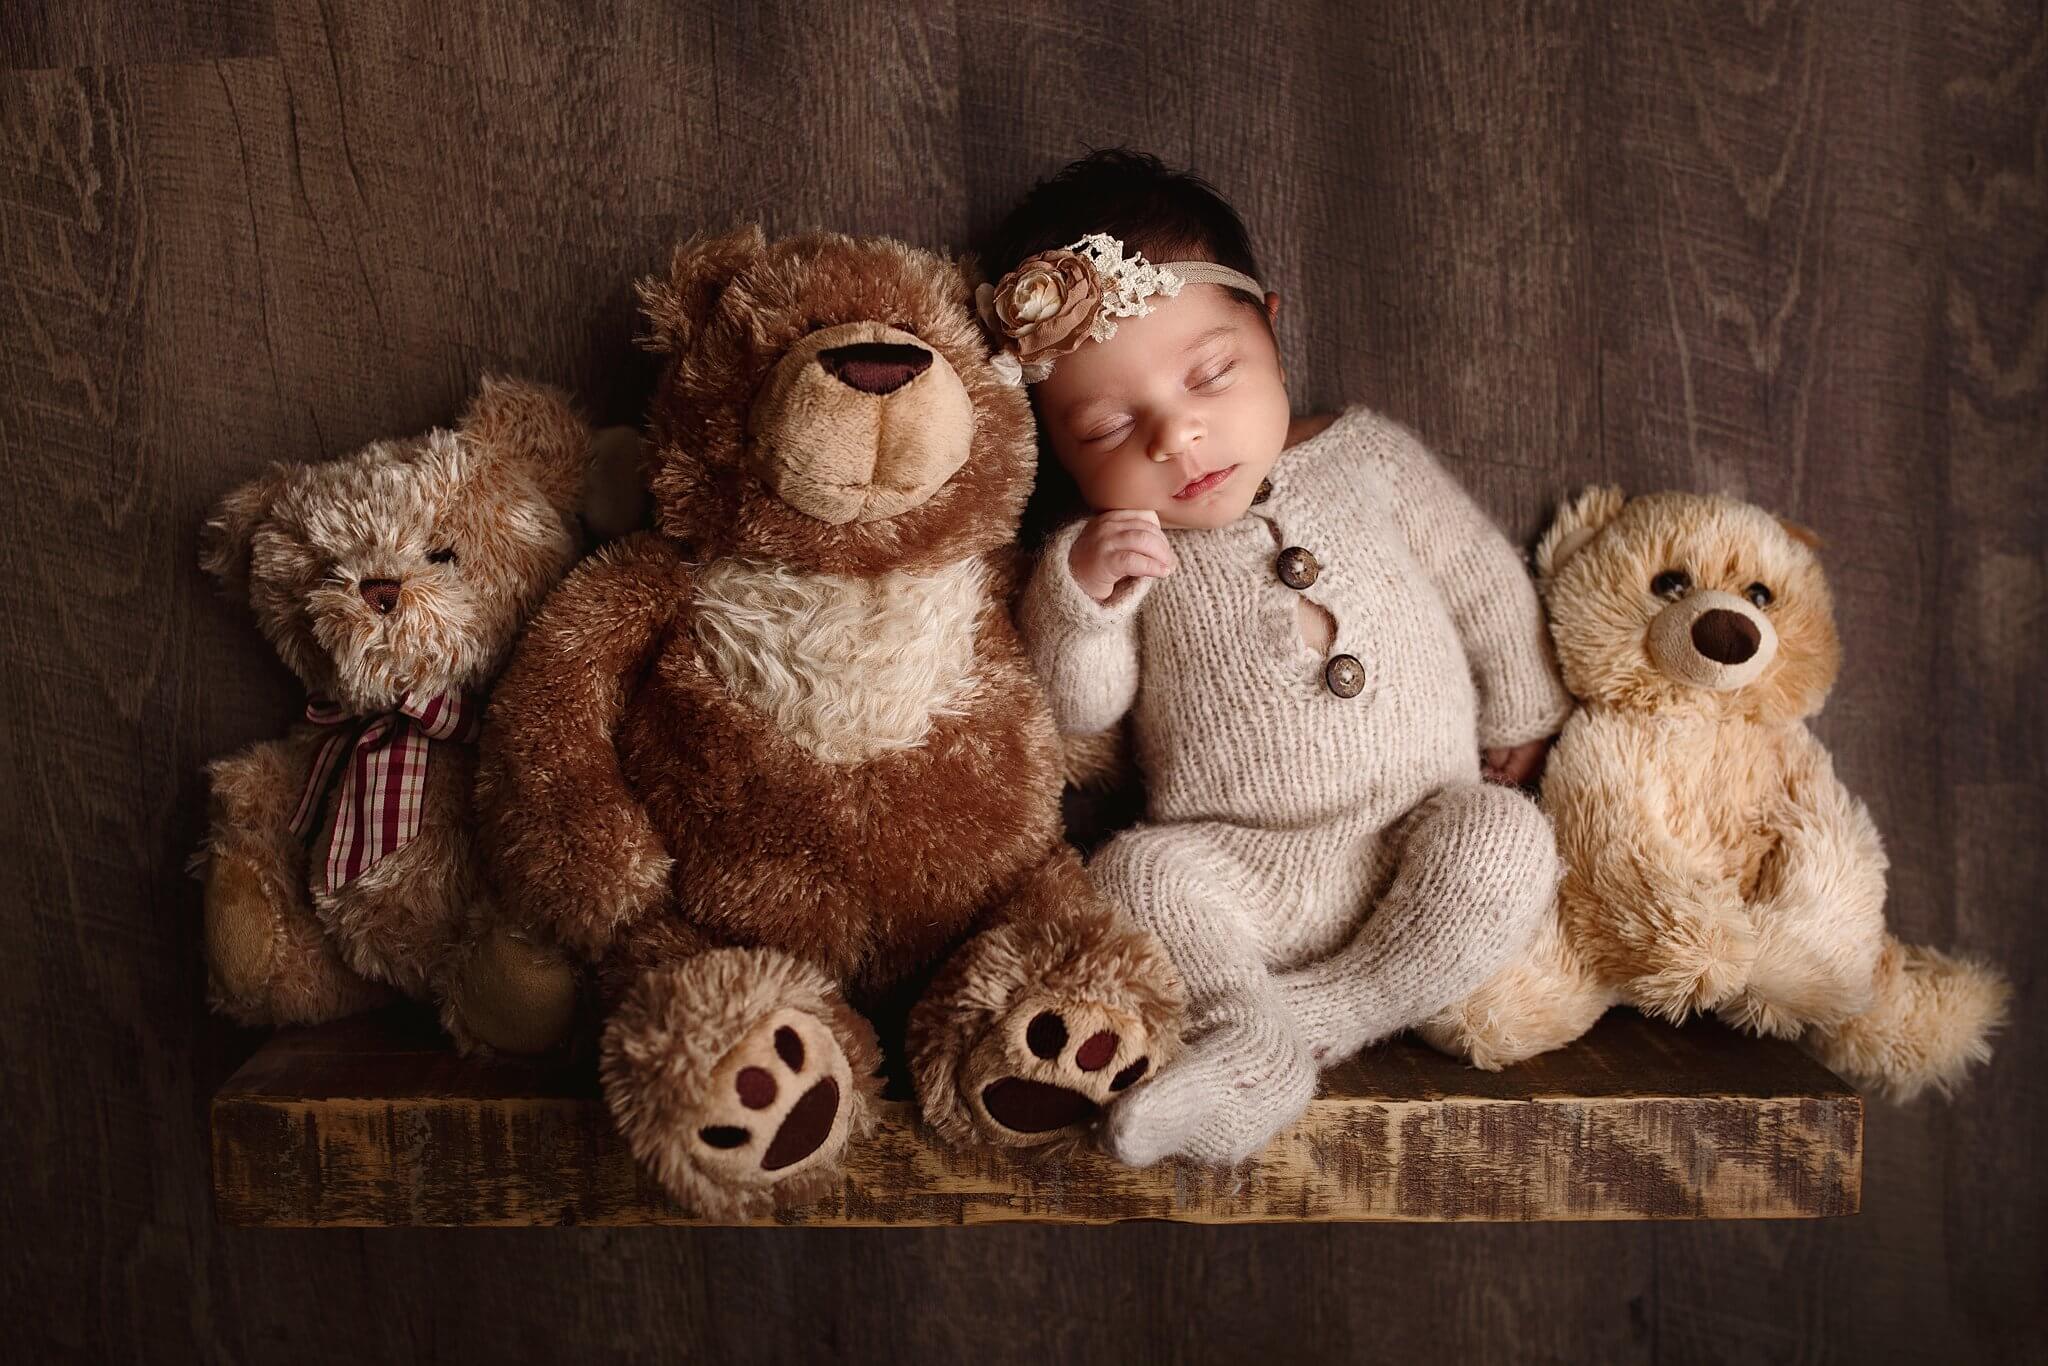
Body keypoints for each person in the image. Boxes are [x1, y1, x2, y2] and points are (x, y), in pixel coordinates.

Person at [976, 149, 1572, 1166]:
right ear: (1056, 448)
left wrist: (1520, 712)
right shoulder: (1106, 549)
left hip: (1415, 833)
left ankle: (1286, 1032)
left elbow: (1479, 578)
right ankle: (1238, 1027)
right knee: (1134, 870)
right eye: (1109, 424)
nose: (1177, 433)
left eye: (1210, 373)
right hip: (1241, 868)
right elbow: (1079, 710)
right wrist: (1081, 603)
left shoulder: (1366, 457)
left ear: (1271, 327)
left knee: (1507, 840)